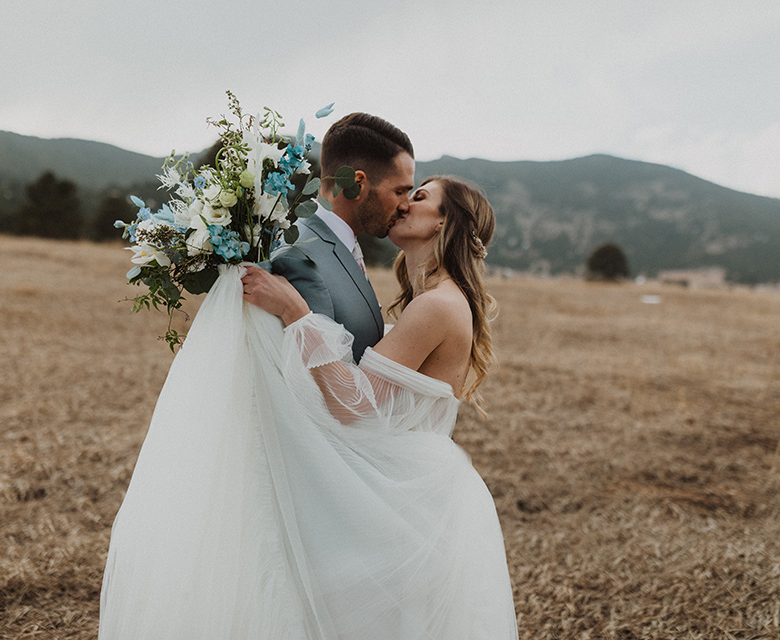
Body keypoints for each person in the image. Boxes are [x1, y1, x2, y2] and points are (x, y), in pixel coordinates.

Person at [98, 171, 518, 638]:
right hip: (417, 480)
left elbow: (355, 404)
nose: (403, 204)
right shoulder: (434, 299)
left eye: (419, 198)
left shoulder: (437, 306)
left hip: (406, 490)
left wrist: (294, 312)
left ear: (444, 223)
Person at [267, 112, 415, 362]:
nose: (406, 206)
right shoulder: (299, 256)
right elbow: (312, 378)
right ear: (356, 184)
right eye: (399, 191)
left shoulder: (345, 243)